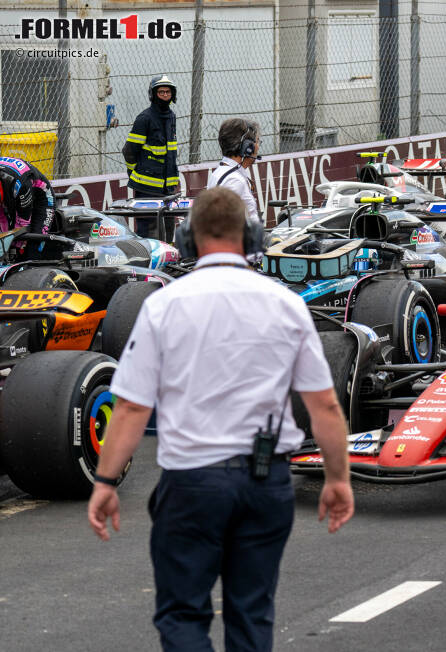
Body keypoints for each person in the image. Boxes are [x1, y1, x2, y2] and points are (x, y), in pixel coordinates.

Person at [87, 186, 354, 652]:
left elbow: (130, 406)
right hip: (264, 479)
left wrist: (106, 482)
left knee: (183, 615)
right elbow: (325, 405)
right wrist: (338, 478)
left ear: (188, 239)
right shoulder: (285, 304)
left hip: (191, 483)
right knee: (251, 616)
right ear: (251, 236)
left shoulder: (165, 305)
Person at [123, 75, 179, 200]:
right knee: (148, 220)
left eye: (168, 92)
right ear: (153, 94)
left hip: (168, 188)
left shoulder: (171, 117)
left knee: (169, 219)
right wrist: (135, 173)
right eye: (161, 92)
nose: (165, 95)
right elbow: (129, 151)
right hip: (146, 188)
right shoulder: (144, 118)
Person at [207, 118, 262, 224]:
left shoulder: (222, 173)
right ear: (247, 147)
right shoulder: (234, 180)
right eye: (257, 141)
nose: (258, 147)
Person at [0, 156, 55, 259]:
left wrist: (14, 249)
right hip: (12, 191)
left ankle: (33, 265)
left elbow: (23, 223)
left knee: (33, 245)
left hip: (42, 198)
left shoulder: (19, 184)